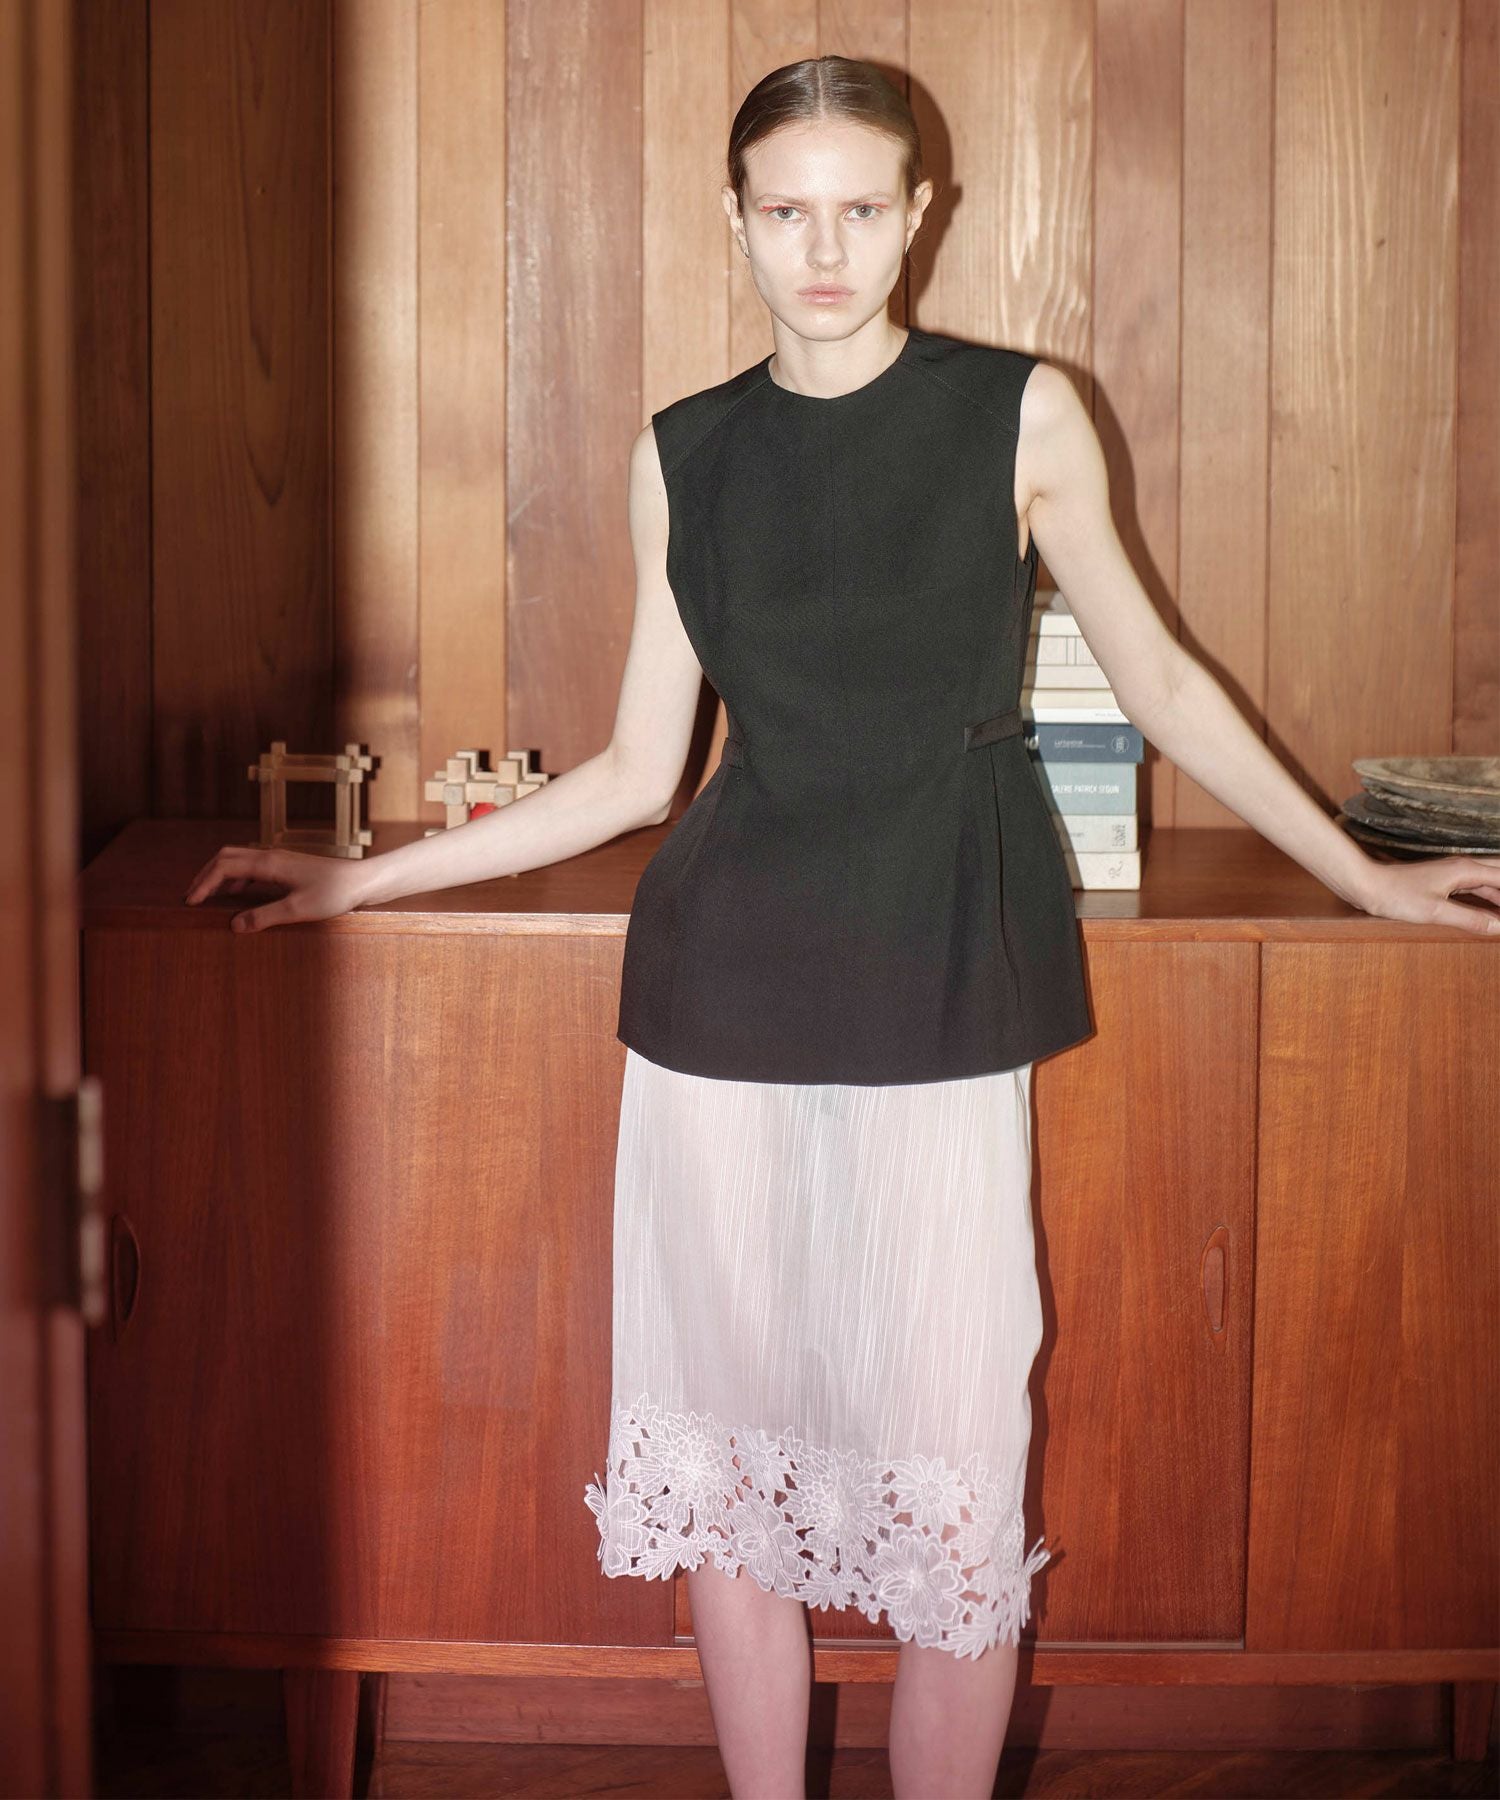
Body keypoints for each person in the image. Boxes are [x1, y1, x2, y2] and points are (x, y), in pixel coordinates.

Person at [186, 53, 1500, 1800]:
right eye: (787, 212)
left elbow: (1167, 687)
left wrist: (1369, 874)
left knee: (957, 1481)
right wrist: (354, 877)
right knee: (732, 1466)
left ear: (919, 215)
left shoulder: (1022, 416)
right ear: (733, 218)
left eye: (861, 209)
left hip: (939, 974)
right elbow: (635, 771)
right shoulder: (686, 453)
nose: (824, 250)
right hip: (718, 996)